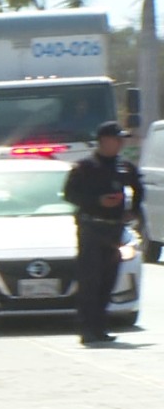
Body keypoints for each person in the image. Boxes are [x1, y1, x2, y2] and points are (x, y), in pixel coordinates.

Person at [62, 120, 144, 345]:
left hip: (114, 229)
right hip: (92, 228)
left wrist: (133, 210)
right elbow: (70, 195)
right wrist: (97, 201)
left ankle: (100, 326)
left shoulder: (123, 166)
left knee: (108, 280)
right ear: (103, 141)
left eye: (121, 139)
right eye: (115, 139)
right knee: (90, 280)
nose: (119, 143)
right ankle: (87, 329)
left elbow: (139, 187)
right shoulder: (85, 167)